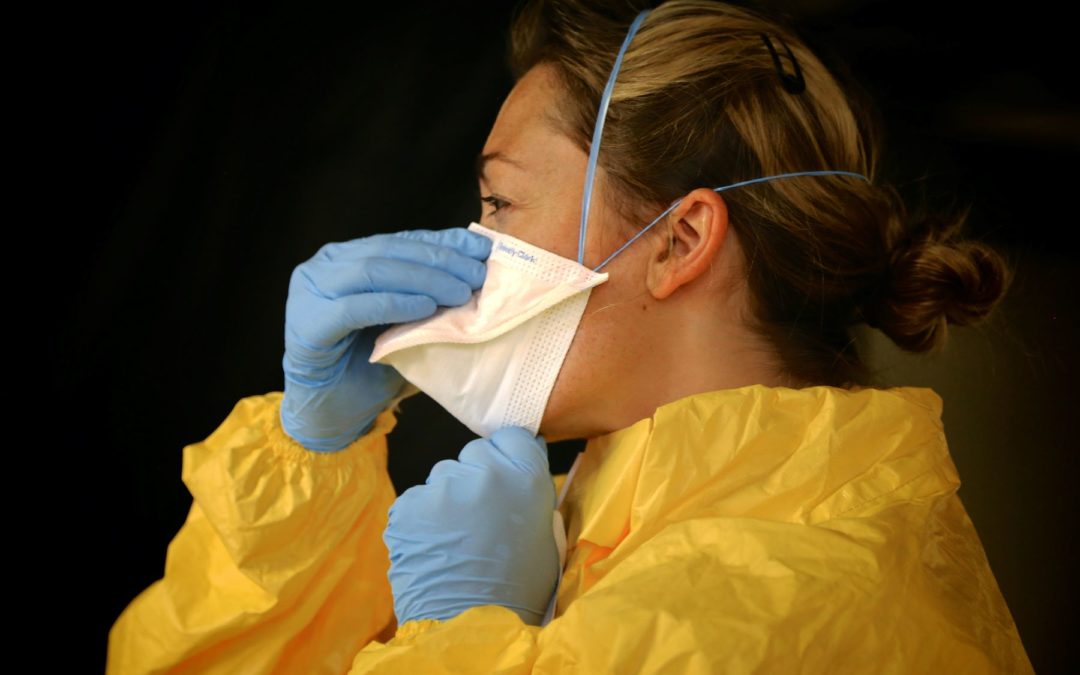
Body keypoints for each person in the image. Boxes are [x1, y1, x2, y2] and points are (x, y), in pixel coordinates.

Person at [106, 0, 1035, 672]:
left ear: (678, 242)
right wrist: (307, 464)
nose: (473, 247)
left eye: (499, 203)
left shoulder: (783, 609)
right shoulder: (584, 530)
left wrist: (459, 639)